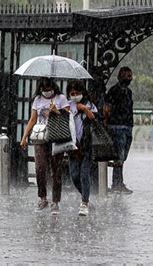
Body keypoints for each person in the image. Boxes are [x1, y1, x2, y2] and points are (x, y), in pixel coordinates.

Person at [20, 77, 70, 215]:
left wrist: (56, 112)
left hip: (56, 136)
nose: (47, 92)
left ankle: (55, 200)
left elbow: (68, 116)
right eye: (44, 90)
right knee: (40, 167)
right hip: (41, 136)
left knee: (56, 169)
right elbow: (33, 119)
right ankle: (43, 197)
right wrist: (25, 136)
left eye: (49, 89)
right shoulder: (37, 100)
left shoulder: (61, 98)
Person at [66, 80, 97, 216]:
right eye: (72, 93)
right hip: (73, 146)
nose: (75, 95)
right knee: (74, 175)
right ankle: (86, 195)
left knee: (84, 173)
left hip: (87, 145)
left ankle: (84, 202)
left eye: (77, 93)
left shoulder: (89, 104)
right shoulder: (67, 105)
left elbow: (95, 118)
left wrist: (84, 108)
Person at [104, 67, 134, 194]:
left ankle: (118, 182)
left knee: (123, 156)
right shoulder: (114, 91)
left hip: (127, 126)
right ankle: (117, 183)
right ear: (119, 77)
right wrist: (107, 123)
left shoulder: (129, 92)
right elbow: (107, 108)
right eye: (126, 75)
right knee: (119, 156)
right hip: (116, 126)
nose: (129, 78)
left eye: (130, 76)